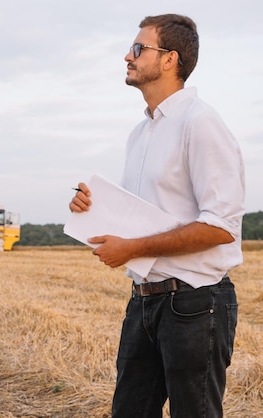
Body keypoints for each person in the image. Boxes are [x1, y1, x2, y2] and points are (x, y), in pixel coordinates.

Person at [69, 14, 245, 418]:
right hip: (144, 302)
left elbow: (221, 227)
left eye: (137, 48)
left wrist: (132, 247)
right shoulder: (140, 133)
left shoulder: (200, 123)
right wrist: (89, 209)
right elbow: (138, 215)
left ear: (169, 60)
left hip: (197, 304)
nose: (126, 56)